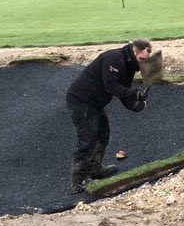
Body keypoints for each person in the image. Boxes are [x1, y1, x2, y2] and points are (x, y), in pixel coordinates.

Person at [65, 39, 153, 194]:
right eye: (142, 59)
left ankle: (95, 170)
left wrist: (136, 104)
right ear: (134, 51)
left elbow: (124, 93)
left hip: (95, 102)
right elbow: (111, 86)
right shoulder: (114, 58)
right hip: (81, 99)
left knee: (103, 134)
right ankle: (78, 181)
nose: (143, 64)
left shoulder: (129, 66)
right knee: (87, 140)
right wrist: (134, 93)